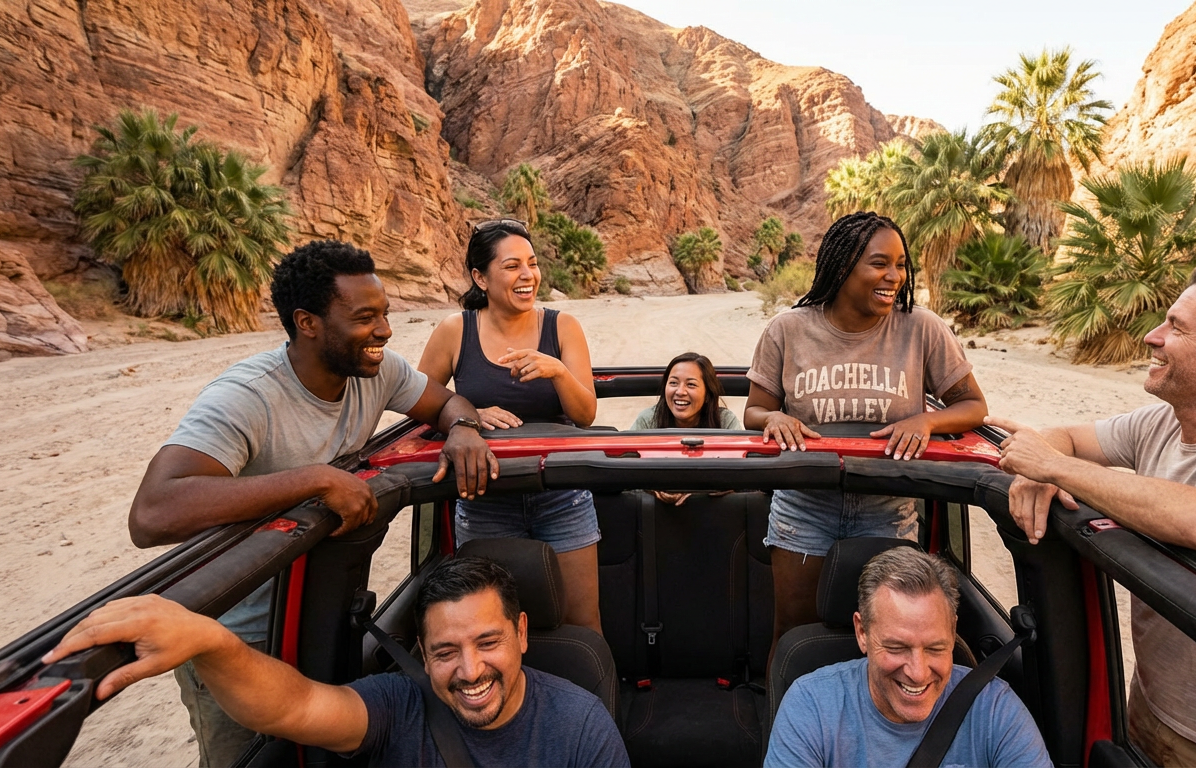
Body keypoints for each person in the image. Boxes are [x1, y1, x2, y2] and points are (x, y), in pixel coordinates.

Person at [127, 240, 497, 767]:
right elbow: (152, 514)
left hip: (323, 617)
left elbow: (447, 401)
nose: (385, 331)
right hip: (237, 639)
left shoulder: (378, 372)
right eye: (365, 318)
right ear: (307, 323)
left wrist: (462, 428)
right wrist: (313, 480)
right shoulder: (248, 396)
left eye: (384, 314)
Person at [988, 262, 1196, 768]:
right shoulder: (1162, 423)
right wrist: (1046, 464)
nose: (1153, 337)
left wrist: (1055, 468)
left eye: (1177, 327)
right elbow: (1067, 437)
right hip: (1149, 706)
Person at [44, 557, 630, 768]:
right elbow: (294, 707)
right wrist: (210, 641)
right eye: (446, 652)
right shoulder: (397, 706)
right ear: (422, 654)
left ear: (521, 633)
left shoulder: (581, 725)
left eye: (488, 642)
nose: (471, 670)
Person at [743, 212, 989, 653]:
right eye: (880, 263)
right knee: (794, 634)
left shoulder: (921, 328)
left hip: (889, 508)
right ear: (842, 267)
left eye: (901, 264)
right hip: (804, 508)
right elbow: (754, 411)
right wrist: (773, 419)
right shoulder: (787, 329)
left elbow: (973, 406)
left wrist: (926, 420)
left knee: (889, 638)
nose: (894, 276)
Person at [418, 218, 603, 635]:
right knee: (488, 626)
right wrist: (468, 413)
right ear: (480, 277)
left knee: (582, 622)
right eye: (512, 266)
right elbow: (421, 405)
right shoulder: (455, 331)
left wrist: (557, 372)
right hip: (485, 499)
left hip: (561, 494)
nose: (528, 275)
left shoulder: (562, 326)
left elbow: (585, 415)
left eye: (532, 264)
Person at [764, 547, 1050, 767]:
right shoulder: (811, 707)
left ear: (953, 632)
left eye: (935, 648)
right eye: (896, 648)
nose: (918, 673)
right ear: (862, 632)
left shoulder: (995, 710)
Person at [629, 351, 743, 506]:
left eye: (691, 385)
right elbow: (627, 468)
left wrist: (699, 491)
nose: (680, 391)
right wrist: (651, 487)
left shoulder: (725, 422)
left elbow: (740, 473)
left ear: (707, 394)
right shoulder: (648, 420)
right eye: (673, 383)